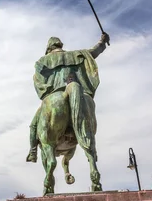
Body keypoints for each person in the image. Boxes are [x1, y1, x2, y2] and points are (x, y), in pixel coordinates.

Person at [26, 32, 110, 162]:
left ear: (49, 49)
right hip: (78, 90)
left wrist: (46, 94)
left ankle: (32, 151)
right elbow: (93, 52)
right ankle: (92, 152)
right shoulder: (76, 54)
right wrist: (102, 42)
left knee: (33, 126)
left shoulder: (43, 61)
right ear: (60, 45)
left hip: (55, 94)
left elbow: (38, 80)